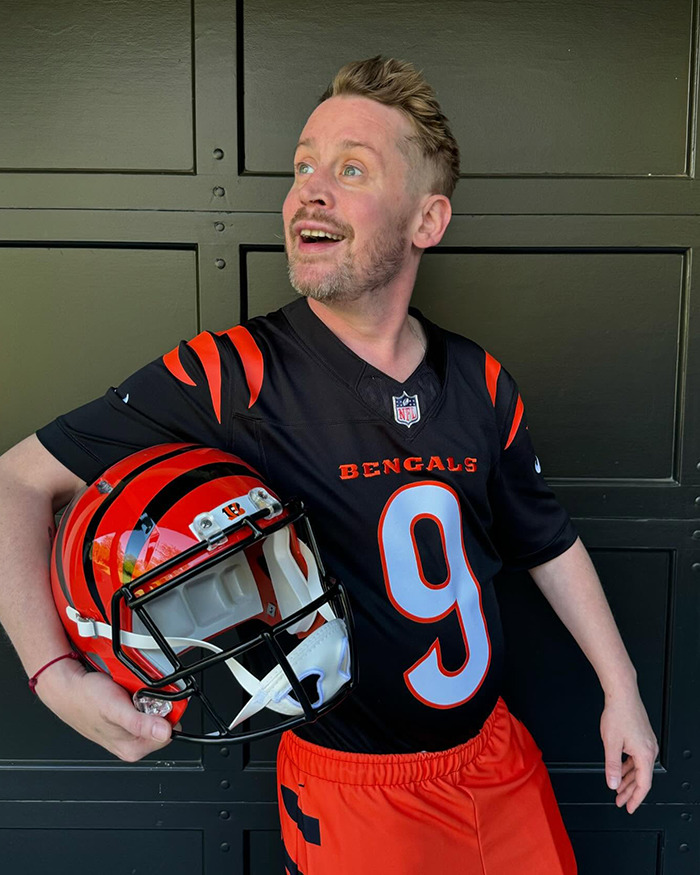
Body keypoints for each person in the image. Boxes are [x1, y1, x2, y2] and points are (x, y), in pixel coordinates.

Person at [0, 56, 657, 874]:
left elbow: (546, 542)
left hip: (497, 755)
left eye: (352, 169)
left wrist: (621, 688)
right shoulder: (230, 373)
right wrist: (52, 672)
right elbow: (17, 480)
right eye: (304, 164)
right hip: (355, 788)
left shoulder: (482, 381)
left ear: (427, 220)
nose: (310, 187)